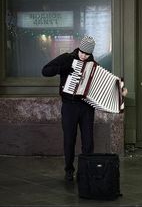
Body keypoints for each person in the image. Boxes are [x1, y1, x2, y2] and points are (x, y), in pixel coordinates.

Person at [42, 36, 127, 181]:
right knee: (69, 139)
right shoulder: (67, 58)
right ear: (78, 48)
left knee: (88, 142)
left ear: (90, 54)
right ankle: (69, 170)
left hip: (87, 108)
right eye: (81, 52)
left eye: (86, 54)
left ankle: (85, 170)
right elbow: (45, 71)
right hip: (69, 107)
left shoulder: (94, 66)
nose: (83, 56)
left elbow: (104, 87)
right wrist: (63, 68)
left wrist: (120, 92)